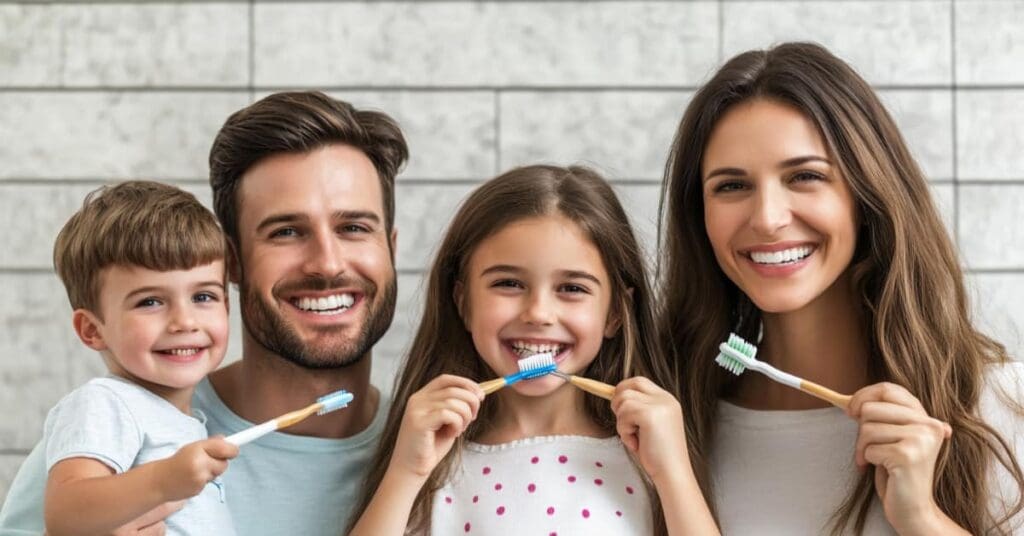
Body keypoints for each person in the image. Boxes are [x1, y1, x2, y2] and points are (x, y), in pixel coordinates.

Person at [0, 91, 409, 535]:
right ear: (230, 261)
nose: (328, 263)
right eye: (286, 231)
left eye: (353, 228)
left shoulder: (431, 453)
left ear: (390, 248)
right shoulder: (112, 440)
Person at [658, 42, 1024, 535]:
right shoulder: (672, 429)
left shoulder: (1001, 407)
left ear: (867, 192)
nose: (767, 219)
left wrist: (922, 519)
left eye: (805, 176)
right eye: (731, 186)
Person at [349, 165, 718, 535]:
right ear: (463, 302)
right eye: (508, 283)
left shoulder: (649, 454)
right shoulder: (431, 458)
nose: (538, 313)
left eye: (572, 288)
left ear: (615, 313)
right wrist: (405, 472)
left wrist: (674, 473)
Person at [41, 181, 237, 535]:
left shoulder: (185, 419)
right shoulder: (105, 402)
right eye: (150, 302)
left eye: (203, 296)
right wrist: (164, 480)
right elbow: (65, 514)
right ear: (92, 329)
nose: (185, 322)